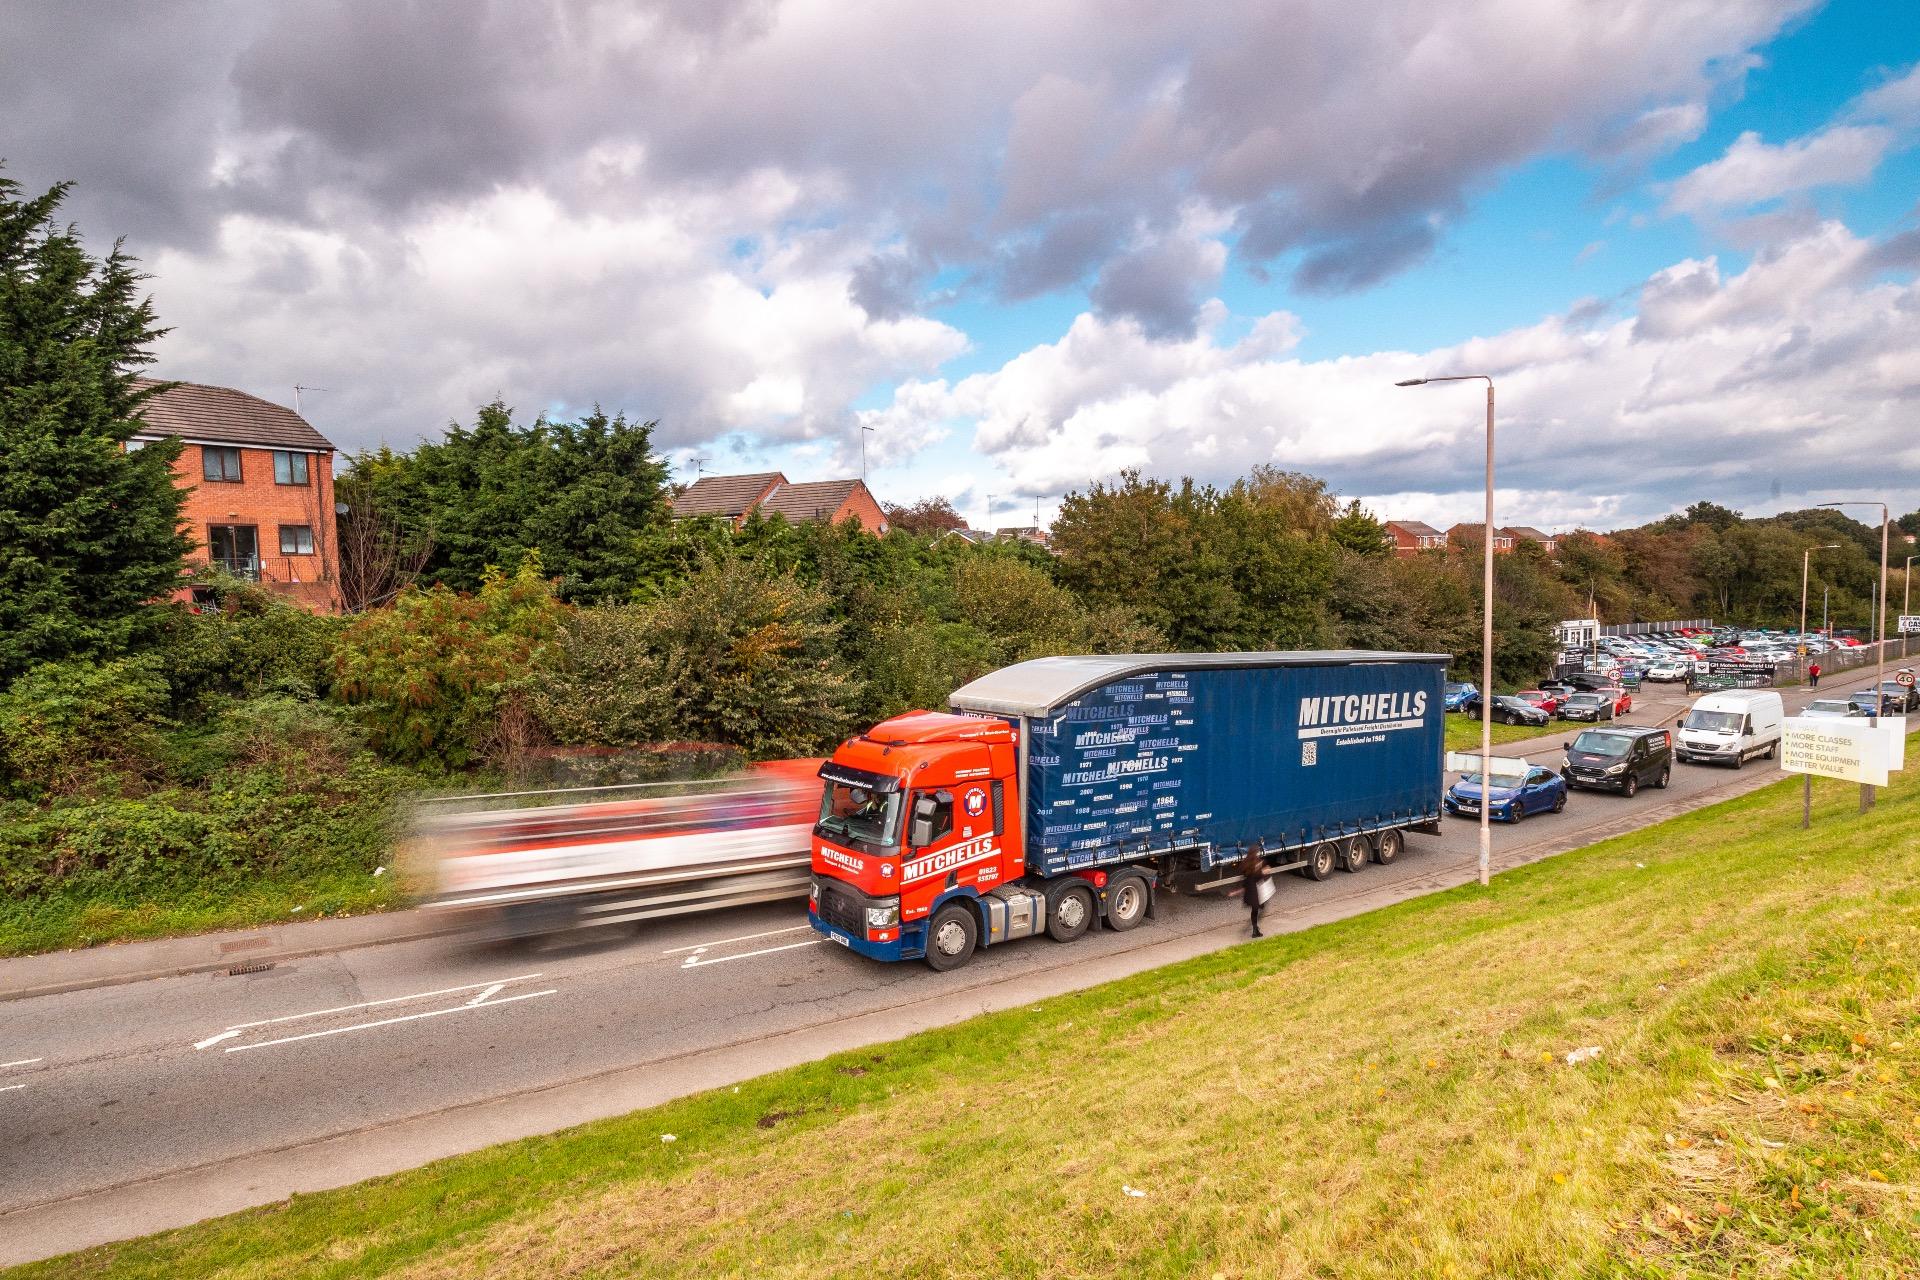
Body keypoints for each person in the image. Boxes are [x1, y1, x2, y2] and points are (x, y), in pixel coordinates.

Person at [1241, 845, 1274, 938]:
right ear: (1256, 853)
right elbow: (1257, 877)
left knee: (1254, 910)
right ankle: (1254, 929)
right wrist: (1264, 871)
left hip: (1249, 891)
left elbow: (1245, 876)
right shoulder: (1257, 862)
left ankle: (1255, 929)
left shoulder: (1245, 863)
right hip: (1256, 891)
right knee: (1260, 910)